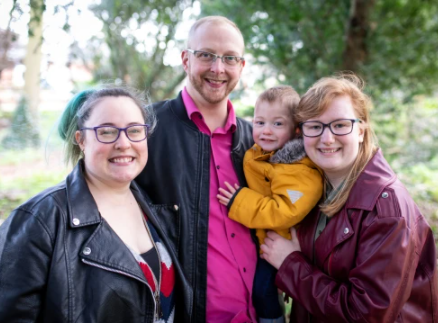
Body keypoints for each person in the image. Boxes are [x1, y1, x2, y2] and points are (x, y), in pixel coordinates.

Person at [0, 87, 192, 322]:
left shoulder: (152, 206)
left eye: (134, 130)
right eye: (108, 132)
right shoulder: (39, 220)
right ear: (81, 140)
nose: (124, 143)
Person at [261, 74, 438, 323]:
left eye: (340, 125)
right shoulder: (314, 191)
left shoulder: (387, 210)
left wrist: (290, 264)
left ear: (361, 130)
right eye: (315, 126)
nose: (327, 138)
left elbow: (365, 314)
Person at [135, 16, 257, 322]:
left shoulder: (258, 140)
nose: (218, 68)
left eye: (229, 58)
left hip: (259, 312)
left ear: (241, 67)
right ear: (186, 60)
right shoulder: (145, 129)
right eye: (206, 55)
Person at [217, 86, 323, 323]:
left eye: (277, 124)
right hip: (260, 237)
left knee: (263, 291)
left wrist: (239, 200)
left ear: (296, 130)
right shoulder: (258, 154)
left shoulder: (301, 169)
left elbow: (285, 211)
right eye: (259, 122)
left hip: (281, 244)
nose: (266, 131)